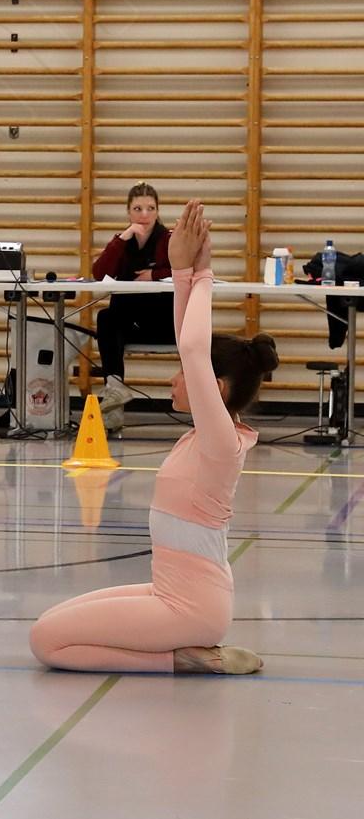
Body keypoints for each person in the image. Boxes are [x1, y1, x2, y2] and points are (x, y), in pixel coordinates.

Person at [29, 199, 274, 675]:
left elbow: (194, 347)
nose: (173, 380)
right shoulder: (209, 434)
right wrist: (186, 270)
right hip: (172, 592)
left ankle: (184, 659)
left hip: (190, 608)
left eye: (184, 375)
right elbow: (189, 340)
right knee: (50, 622)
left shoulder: (220, 442)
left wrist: (202, 274)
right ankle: (186, 653)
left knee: (47, 642)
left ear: (215, 387)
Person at [92, 182, 174, 431]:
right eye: (138, 209)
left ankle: (114, 393)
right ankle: (115, 389)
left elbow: (186, 269)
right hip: (130, 322)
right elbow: (99, 273)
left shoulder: (168, 239)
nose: (144, 215)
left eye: (151, 208)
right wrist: (122, 238)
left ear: (158, 211)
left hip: (163, 323)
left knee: (117, 313)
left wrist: (155, 275)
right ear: (128, 212)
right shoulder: (122, 242)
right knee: (106, 318)